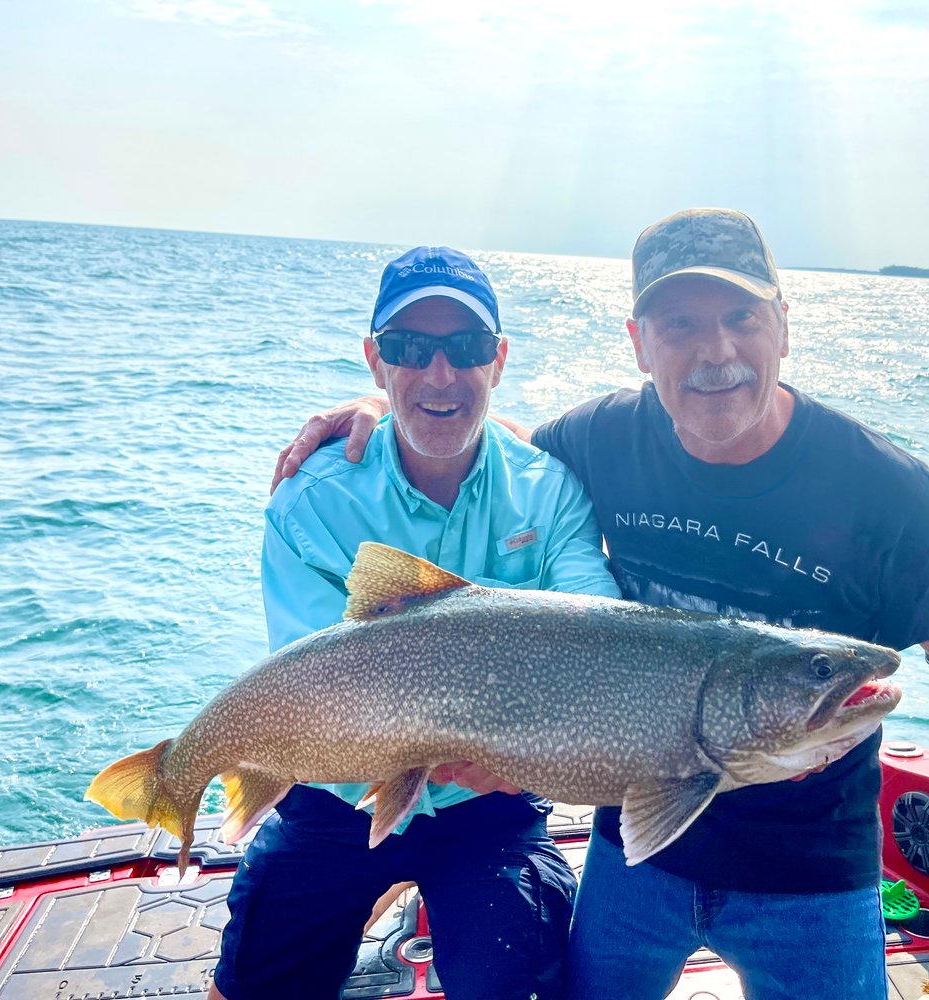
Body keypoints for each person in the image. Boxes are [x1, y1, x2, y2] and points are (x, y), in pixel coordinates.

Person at [273, 210, 929, 999]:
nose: (716, 352)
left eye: (741, 315)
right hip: (638, 859)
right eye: (679, 325)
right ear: (639, 345)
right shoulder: (596, 441)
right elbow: (472, 433)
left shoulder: (883, 488)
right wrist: (382, 407)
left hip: (810, 872)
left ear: (783, 324)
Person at [212, 245, 622, 1000]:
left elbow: (598, 628)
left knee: (520, 978)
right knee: (253, 982)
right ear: (375, 361)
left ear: (497, 361)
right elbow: (310, 678)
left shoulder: (549, 490)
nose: (439, 375)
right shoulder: (311, 499)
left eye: (464, 349)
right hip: (335, 797)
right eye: (410, 349)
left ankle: (426, 896)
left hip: (489, 808)